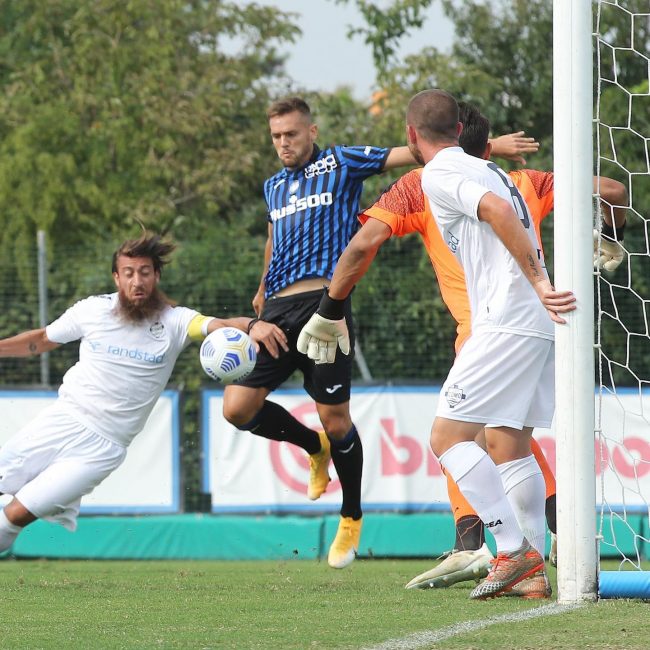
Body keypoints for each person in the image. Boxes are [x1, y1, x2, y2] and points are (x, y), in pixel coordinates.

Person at [220, 96, 538, 569]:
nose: (283, 143)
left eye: (291, 133)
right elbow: (273, 238)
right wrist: (263, 285)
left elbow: (418, 149)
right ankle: (313, 448)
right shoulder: (273, 187)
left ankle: (350, 517)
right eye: (276, 136)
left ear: (311, 131)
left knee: (338, 420)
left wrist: (484, 146)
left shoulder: (340, 161)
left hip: (324, 305)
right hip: (278, 310)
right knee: (237, 408)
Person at [298, 89, 578, 599]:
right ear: (462, 132)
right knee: (510, 444)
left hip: (504, 320)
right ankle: (533, 572)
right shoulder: (491, 169)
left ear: (411, 136)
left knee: (447, 438)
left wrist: (538, 280)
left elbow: (494, 213)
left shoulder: (439, 175)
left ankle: (513, 551)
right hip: (536, 323)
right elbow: (501, 205)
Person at [0, 232, 287, 552]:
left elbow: (216, 325)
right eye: (129, 273)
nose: (137, 281)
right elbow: (42, 339)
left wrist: (250, 326)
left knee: (13, 516)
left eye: (145, 272)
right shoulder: (92, 310)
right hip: (61, 421)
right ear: (116, 277)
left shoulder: (175, 322)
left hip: (102, 450)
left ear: (156, 276)